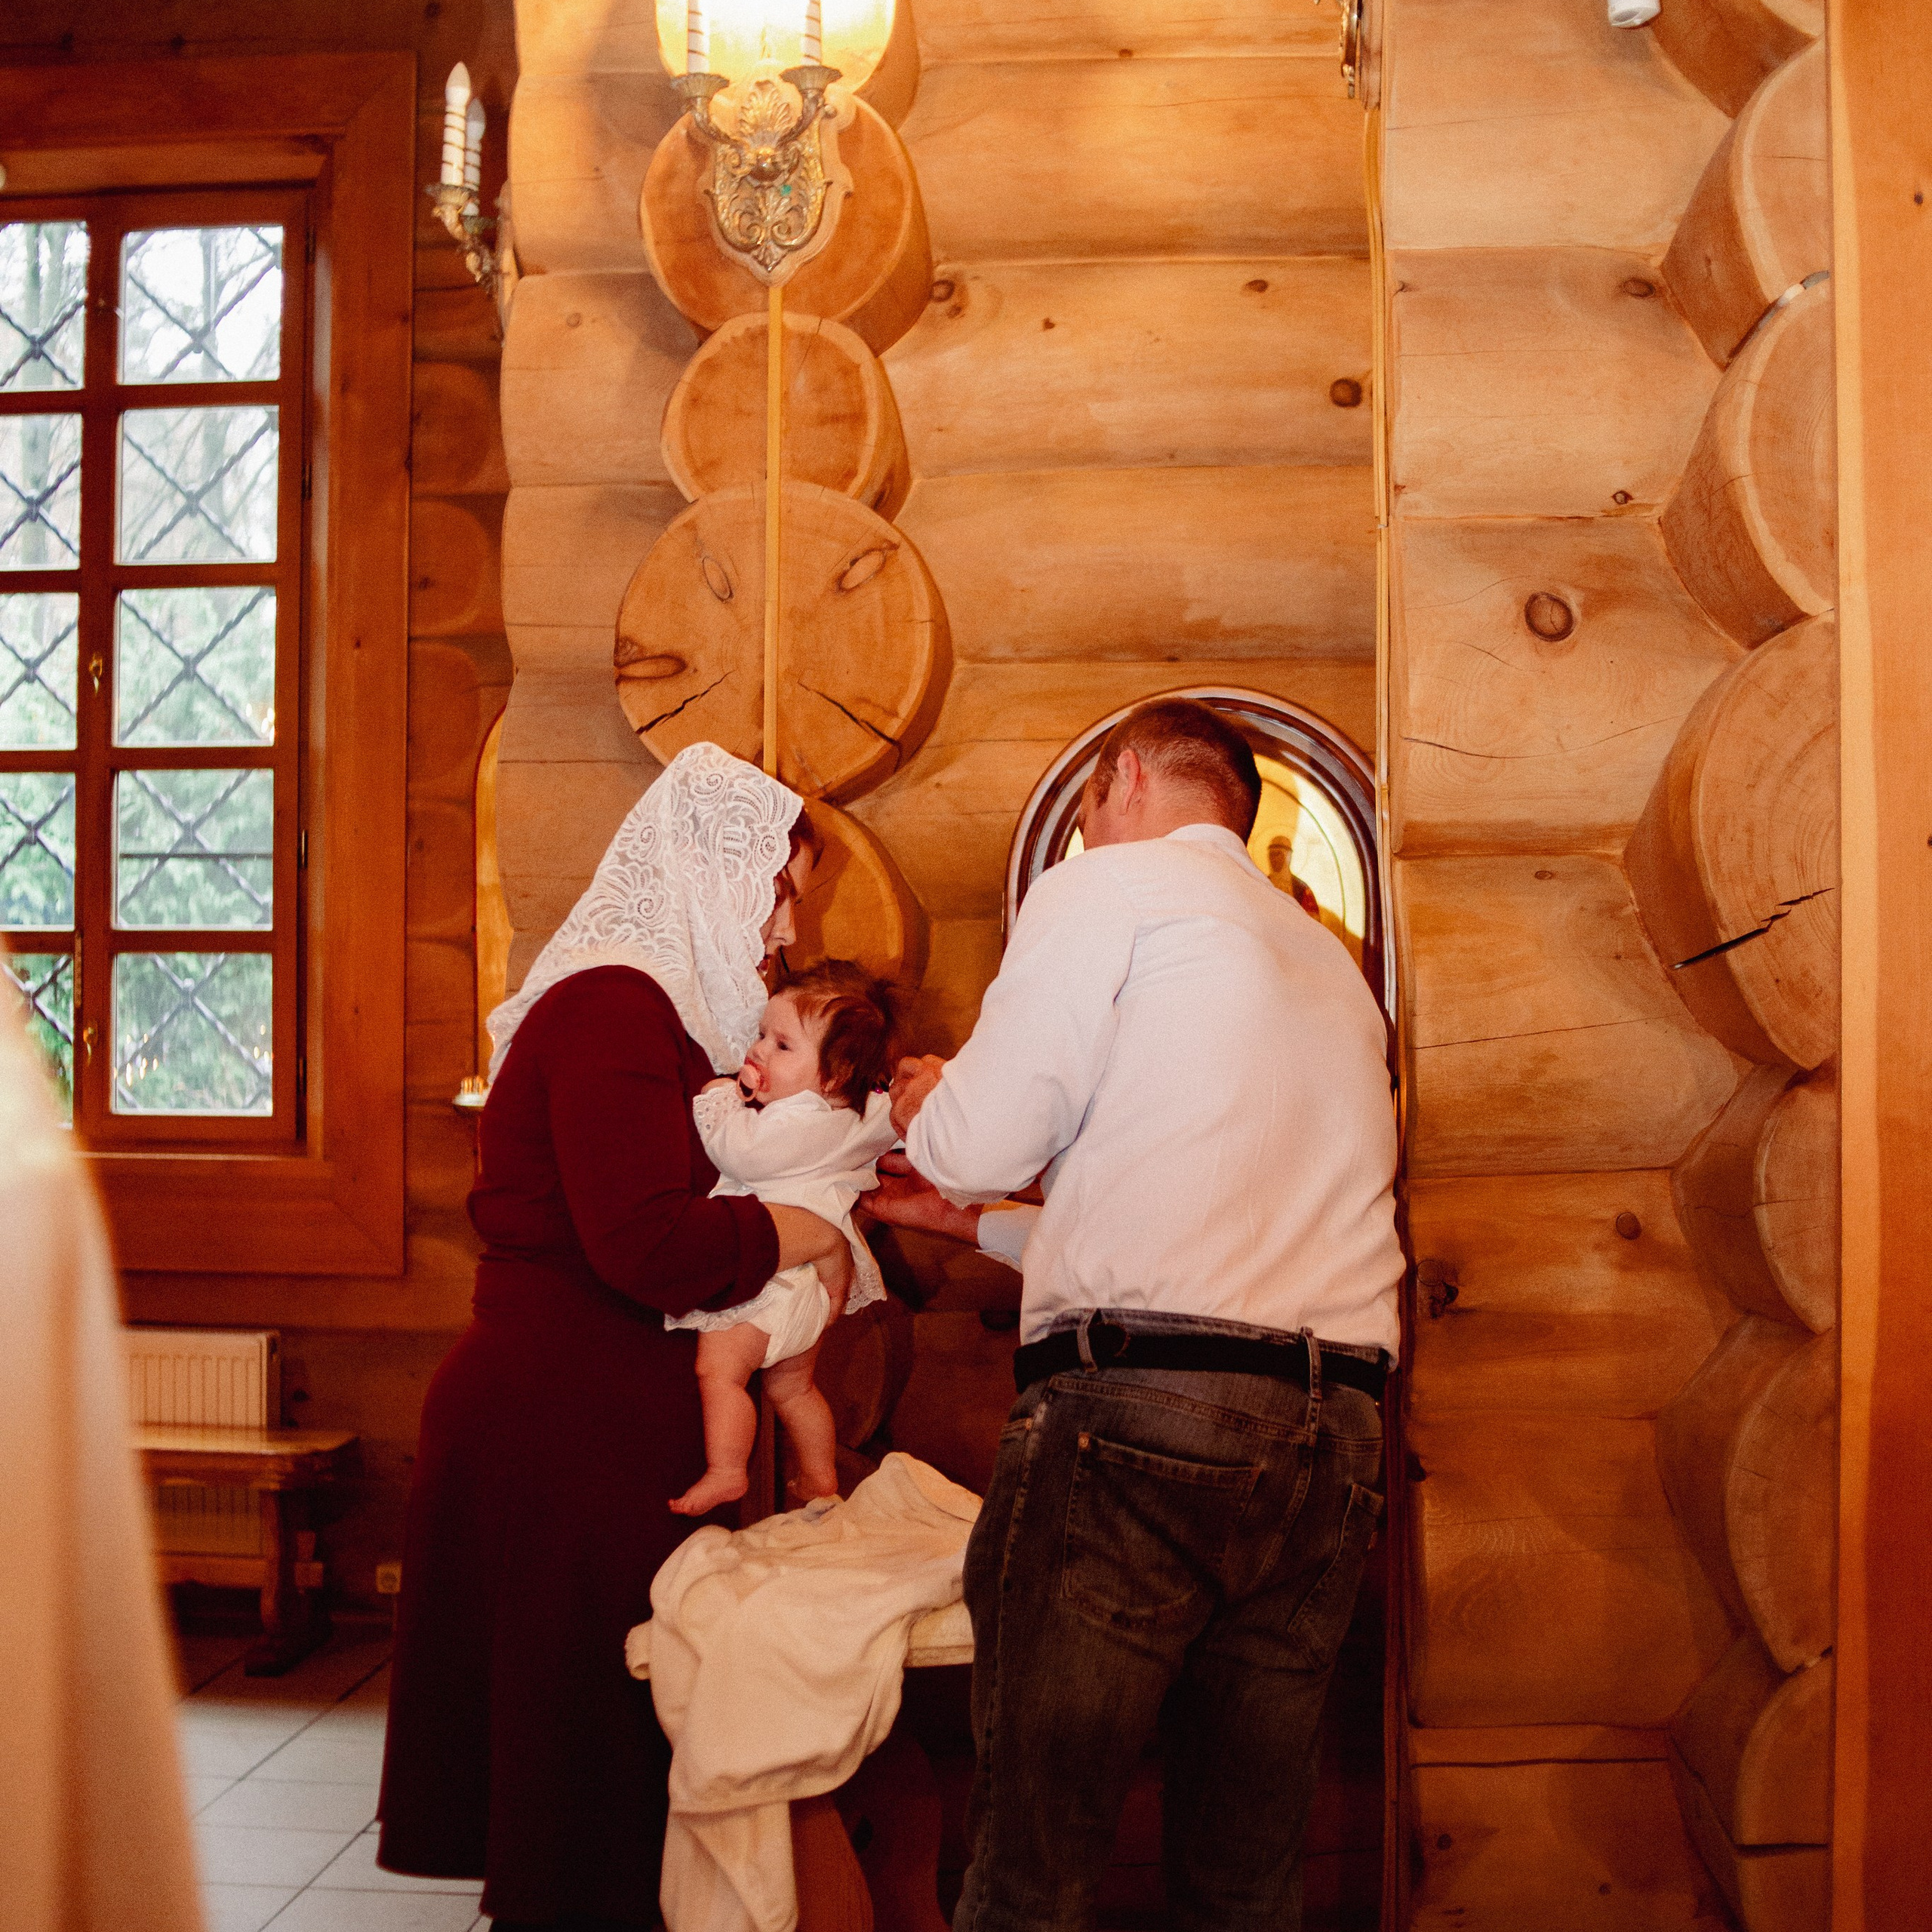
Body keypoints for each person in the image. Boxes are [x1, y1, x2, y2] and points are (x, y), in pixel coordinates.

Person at [871, 697, 1403, 1932]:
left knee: (1036, 1871)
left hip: (1139, 1430)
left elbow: (980, 1140)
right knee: (1243, 1877)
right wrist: (983, 1233)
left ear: (1118, 782)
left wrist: (927, 1102)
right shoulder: (1325, 961)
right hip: (1334, 1441)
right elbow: (1211, 1213)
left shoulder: (1107, 888)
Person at [377, 743, 857, 1930]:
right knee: (580, 1805)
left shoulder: (664, 1017)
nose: (783, 923)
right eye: (778, 886)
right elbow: (640, 1244)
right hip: (557, 1432)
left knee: (606, 1795)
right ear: (708, 871)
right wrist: (801, 1232)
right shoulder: (608, 1007)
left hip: (590, 1428)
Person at [667, 961, 900, 1515]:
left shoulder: (799, 1120)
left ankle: (727, 1470)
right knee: (792, 1389)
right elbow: (896, 1115)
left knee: (719, 1371)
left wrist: (721, 1096)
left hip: (779, 1276)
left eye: (782, 1045)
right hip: (815, 1289)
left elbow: (741, 1152)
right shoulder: (857, 1118)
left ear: (835, 1074)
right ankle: (820, 1477)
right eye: (761, 1035)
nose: (759, 1051)